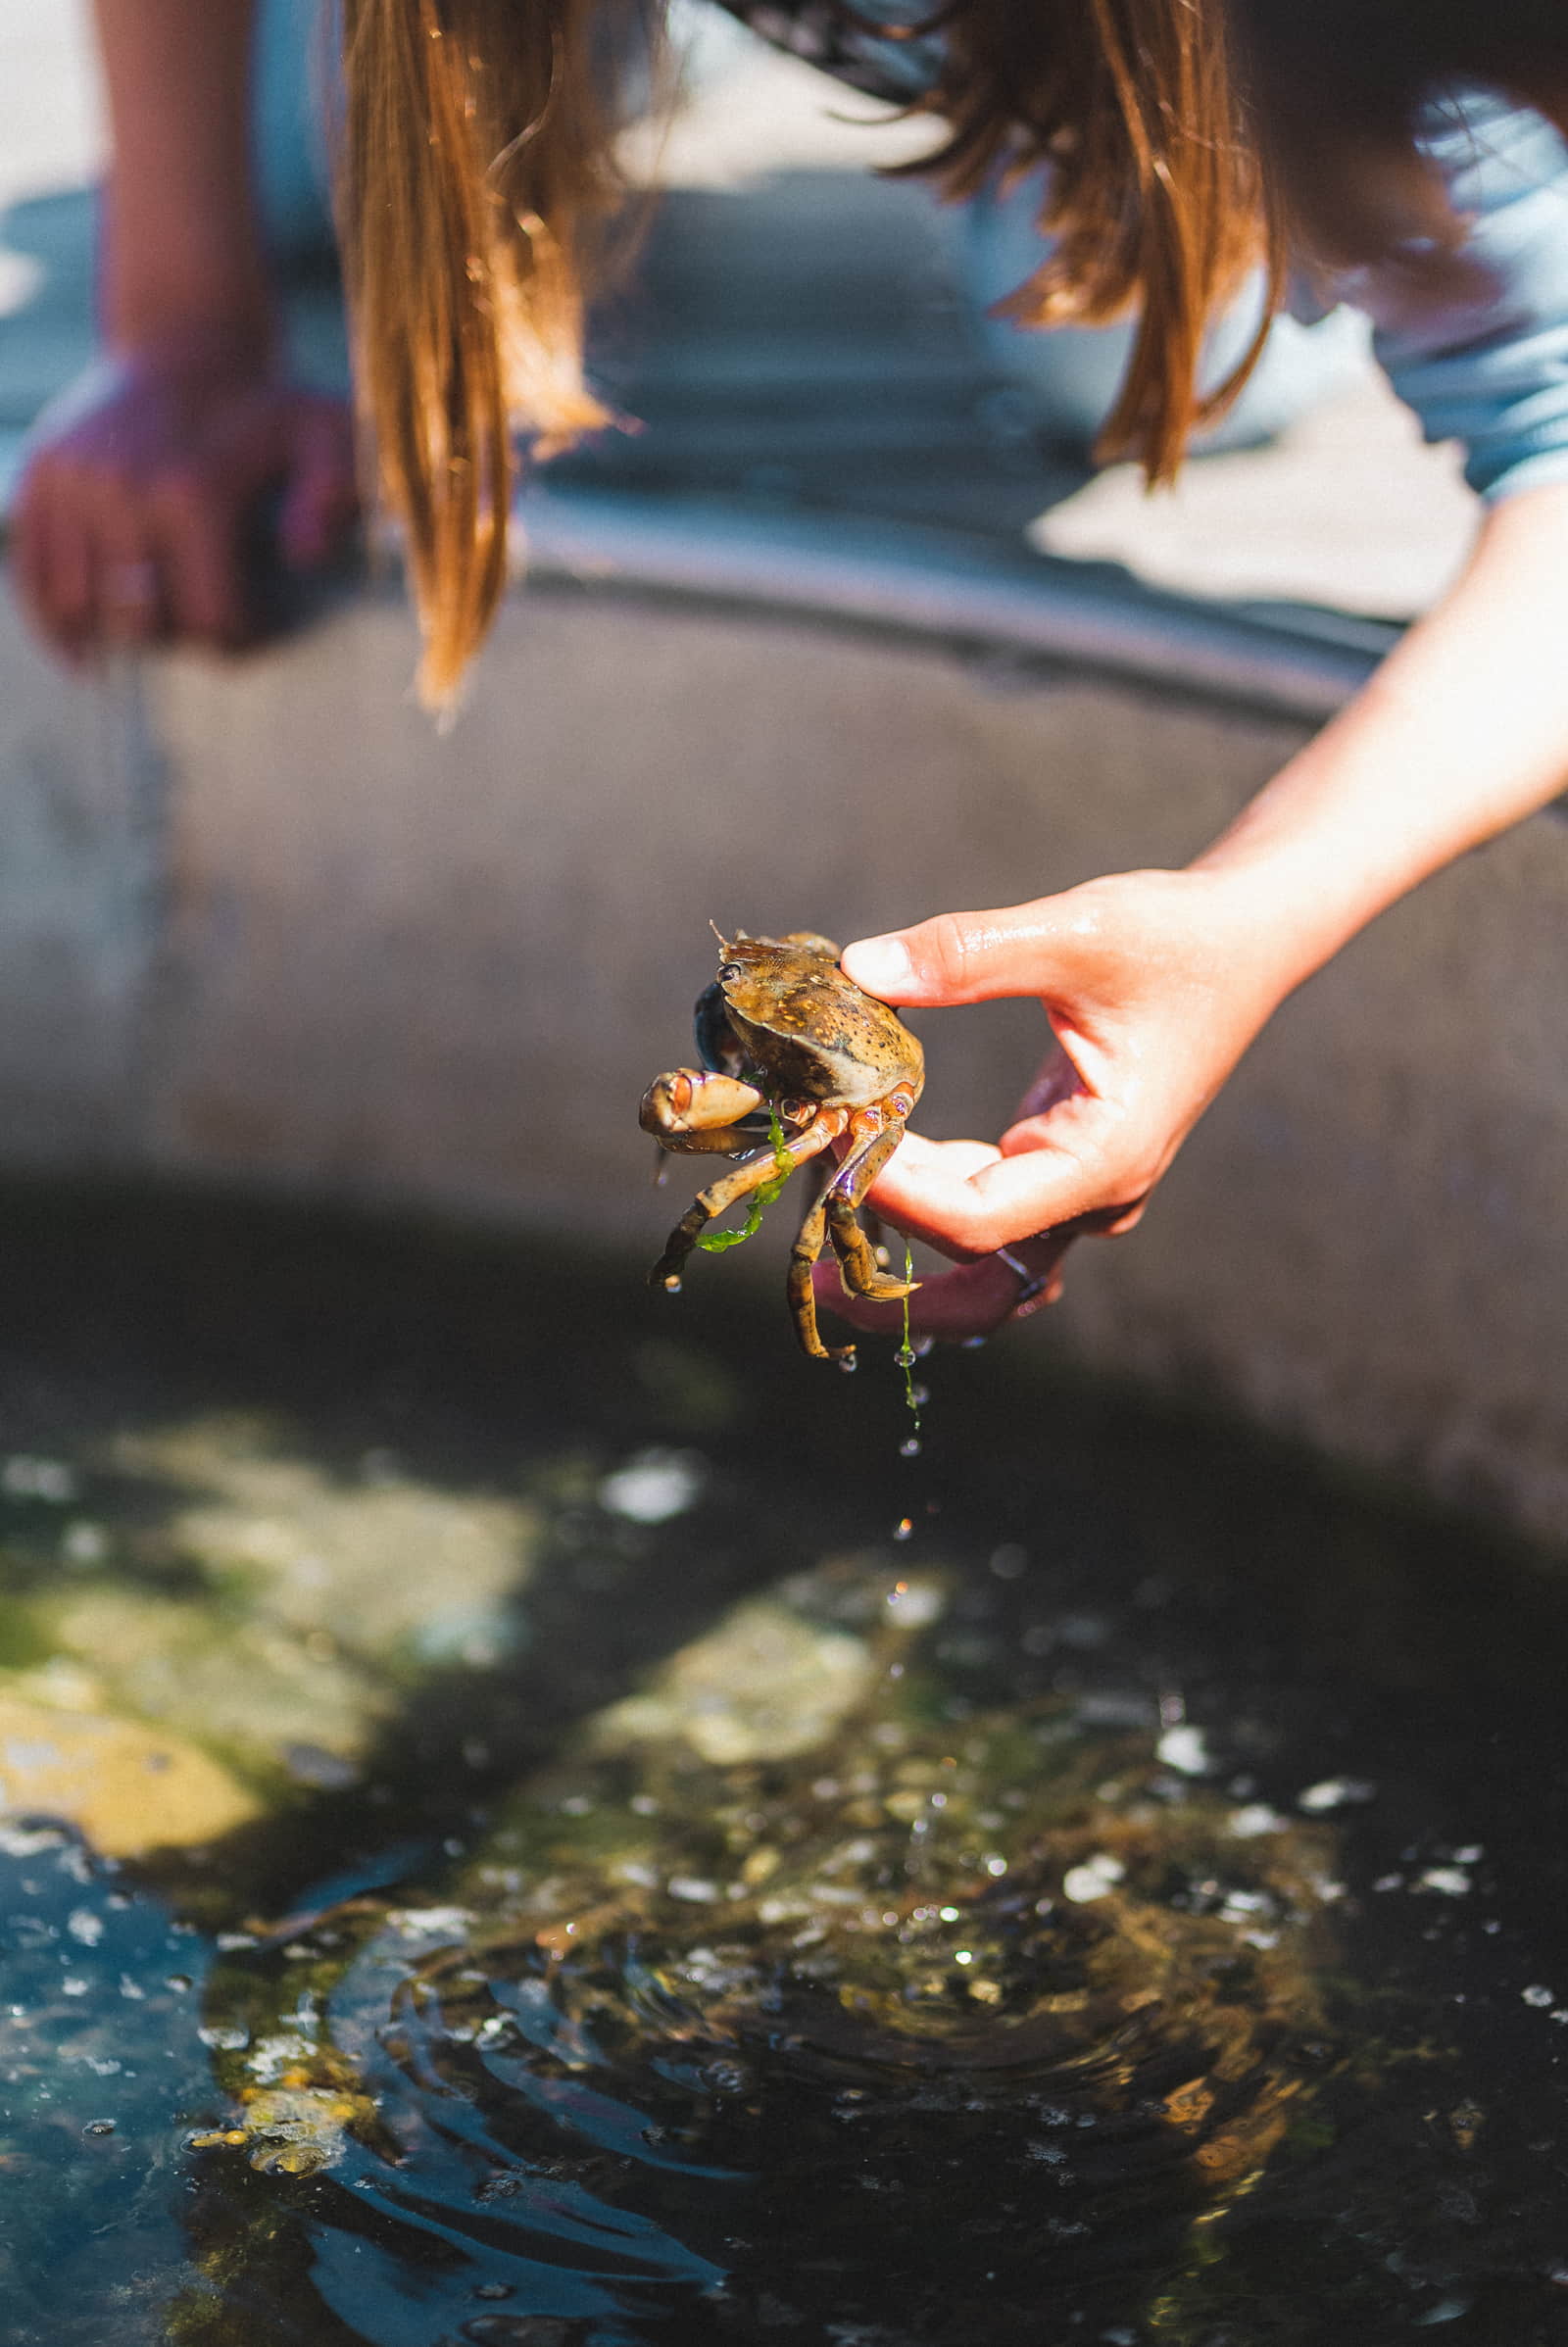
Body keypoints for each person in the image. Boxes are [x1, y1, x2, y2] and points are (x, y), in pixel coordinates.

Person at [16, 1, 1568, 1346]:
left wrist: (1243, 920)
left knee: (1114, 349)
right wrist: (179, 325)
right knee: (310, 171)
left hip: (1120, 74)